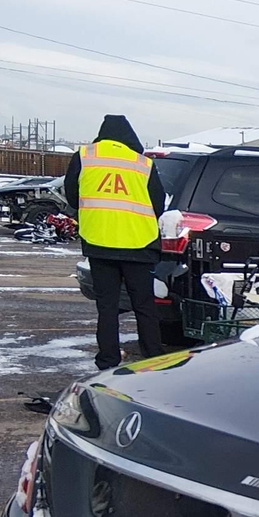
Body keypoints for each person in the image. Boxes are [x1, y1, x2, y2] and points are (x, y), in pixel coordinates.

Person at [64, 115, 166, 370]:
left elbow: (72, 196)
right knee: (144, 305)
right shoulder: (143, 163)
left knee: (107, 307)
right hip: (139, 242)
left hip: (100, 242)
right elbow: (158, 203)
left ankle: (108, 359)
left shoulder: (85, 156)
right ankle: (153, 356)